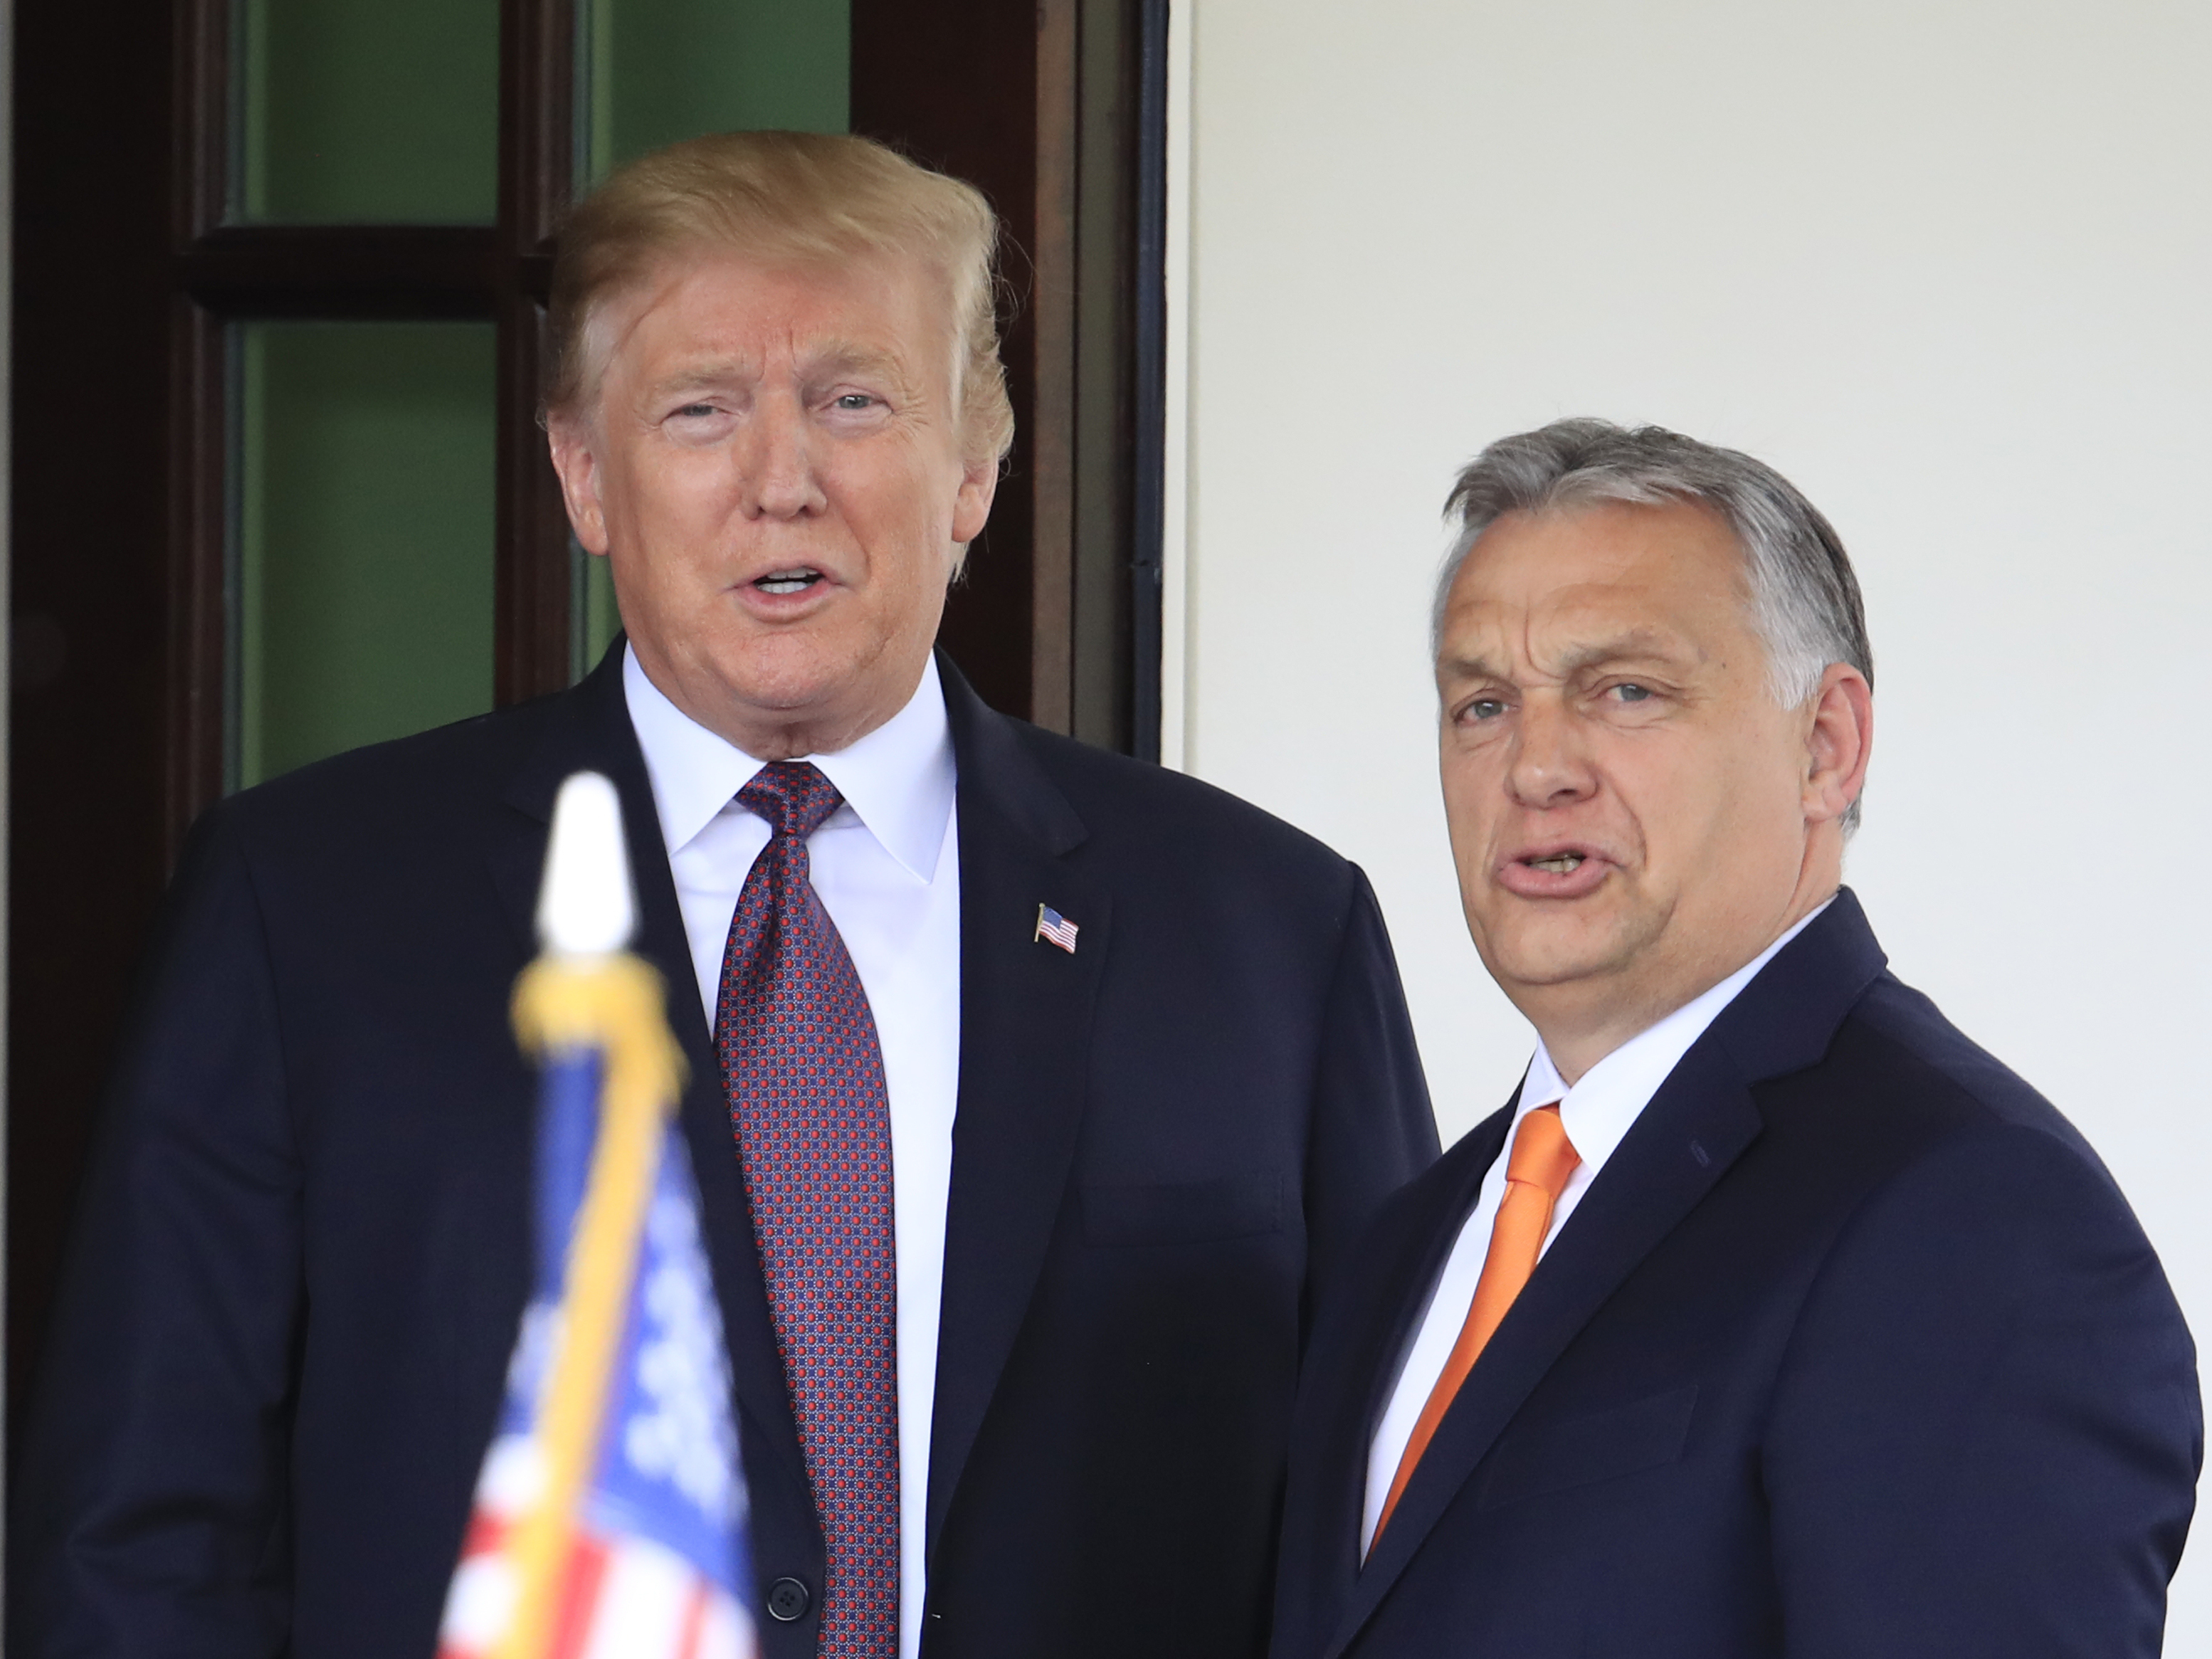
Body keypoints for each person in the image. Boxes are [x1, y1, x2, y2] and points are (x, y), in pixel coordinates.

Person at [12, 132, 1439, 1659]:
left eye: (854, 400)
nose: (782, 481)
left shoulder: (1269, 931)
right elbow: (144, 1541)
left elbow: (1398, 1534)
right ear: (583, 476)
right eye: (701, 410)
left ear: (975, 466)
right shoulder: (306, 908)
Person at [1270, 419, 2201, 1659]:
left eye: (1627, 691)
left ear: (1828, 748)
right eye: (1482, 703)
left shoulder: (1972, 1219)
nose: (1537, 767)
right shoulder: (1406, 1242)